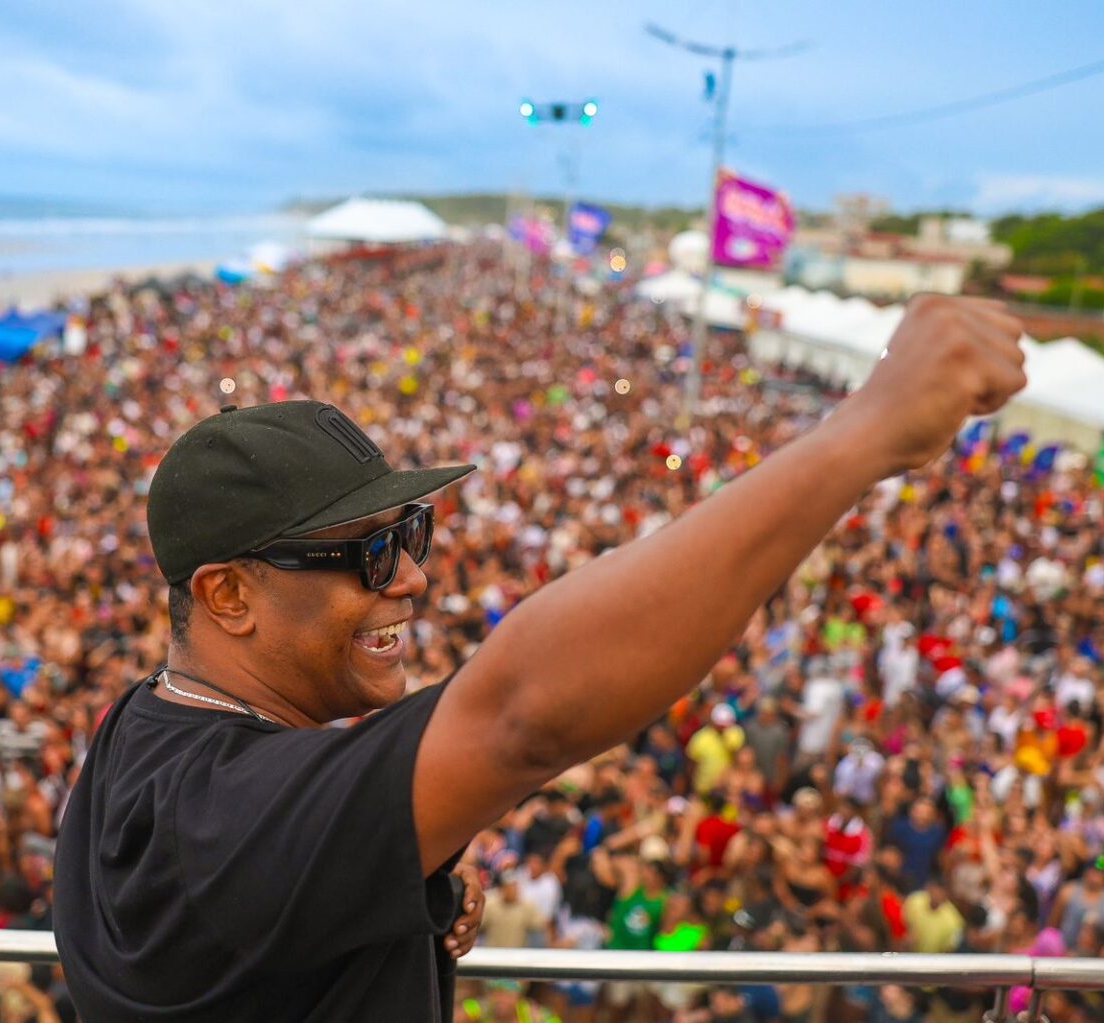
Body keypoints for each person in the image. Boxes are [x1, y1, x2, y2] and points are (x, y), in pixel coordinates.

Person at [54, 294, 1028, 1019]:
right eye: (366, 552)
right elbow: (522, 718)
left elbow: (245, 937)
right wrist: (866, 433)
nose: (412, 580)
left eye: (414, 533)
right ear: (227, 594)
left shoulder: (141, 732)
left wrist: (408, 902)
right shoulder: (228, 820)